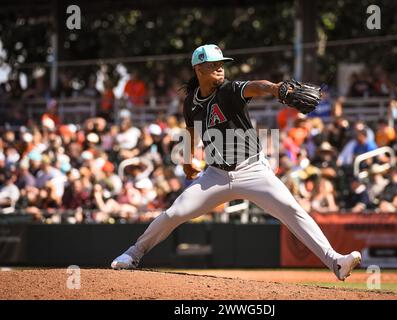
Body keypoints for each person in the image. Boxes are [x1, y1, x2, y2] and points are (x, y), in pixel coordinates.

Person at [111, 44, 361, 280]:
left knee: (292, 211)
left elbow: (256, 86)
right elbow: (190, 132)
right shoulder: (191, 102)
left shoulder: (229, 90)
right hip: (215, 175)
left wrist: (276, 89)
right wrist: (187, 162)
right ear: (199, 69)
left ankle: (335, 261)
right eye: (213, 64)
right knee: (174, 213)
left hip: (252, 170)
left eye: (222, 63)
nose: (220, 67)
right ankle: (133, 254)